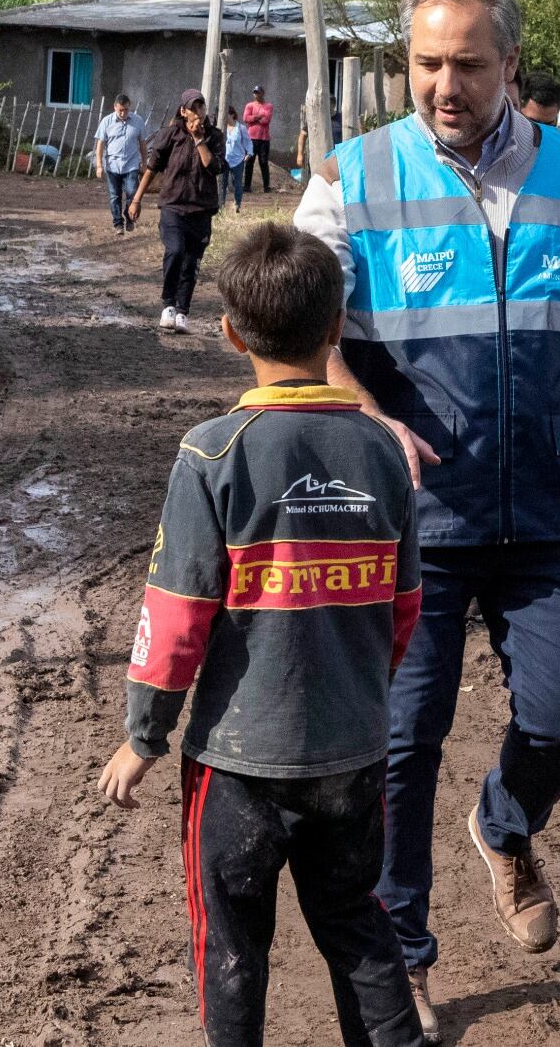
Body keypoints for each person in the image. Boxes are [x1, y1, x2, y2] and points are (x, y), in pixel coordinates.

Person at [294, 0, 560, 1044]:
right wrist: (362, 413)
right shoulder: (350, 178)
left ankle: (502, 823)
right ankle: (405, 955)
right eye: (424, 63)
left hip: (555, 502)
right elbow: (304, 333)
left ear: (511, 64)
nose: (442, 84)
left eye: (465, 63)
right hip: (412, 519)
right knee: (399, 745)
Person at [98, 222, 426, 1047]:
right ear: (337, 328)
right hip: (353, 751)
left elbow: (176, 613)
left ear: (231, 333)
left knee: (233, 946)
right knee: (358, 927)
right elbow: (405, 606)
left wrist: (144, 734)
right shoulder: (384, 452)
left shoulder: (213, 454)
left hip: (238, 765)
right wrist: (362, 688)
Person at [128, 89, 223, 335]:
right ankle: (168, 305)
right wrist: (136, 199)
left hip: (201, 210)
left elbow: (214, 168)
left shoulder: (214, 136)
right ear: (183, 111)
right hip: (173, 206)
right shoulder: (170, 135)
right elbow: (151, 169)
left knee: (192, 262)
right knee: (176, 251)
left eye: (201, 107)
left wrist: (200, 139)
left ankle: (182, 312)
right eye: (193, 107)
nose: (198, 112)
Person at [94, 93, 149, 233]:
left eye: (126, 109)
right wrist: (99, 165)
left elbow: (143, 144)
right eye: (120, 110)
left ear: (129, 107)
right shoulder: (106, 122)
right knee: (115, 195)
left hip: (131, 164)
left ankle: (129, 218)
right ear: (115, 107)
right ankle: (118, 223)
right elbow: (100, 145)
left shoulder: (138, 121)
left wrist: (144, 163)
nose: (123, 113)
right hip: (112, 165)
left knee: (132, 192)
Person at [242, 84, 273, 193]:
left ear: (262, 93)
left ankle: (266, 186)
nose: (256, 95)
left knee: (263, 162)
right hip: (251, 138)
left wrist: (253, 118)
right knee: (249, 162)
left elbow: (266, 120)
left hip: (264, 139)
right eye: (255, 92)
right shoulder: (249, 105)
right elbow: (245, 118)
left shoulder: (268, 106)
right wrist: (257, 117)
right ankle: (247, 186)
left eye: (258, 92)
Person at [222, 105, 253, 213]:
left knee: (237, 183)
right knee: (223, 183)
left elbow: (248, 141)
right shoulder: (222, 127)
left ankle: (237, 205)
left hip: (238, 160)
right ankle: (221, 206)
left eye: (226, 114)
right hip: (224, 160)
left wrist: (249, 152)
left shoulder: (241, 128)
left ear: (232, 114)